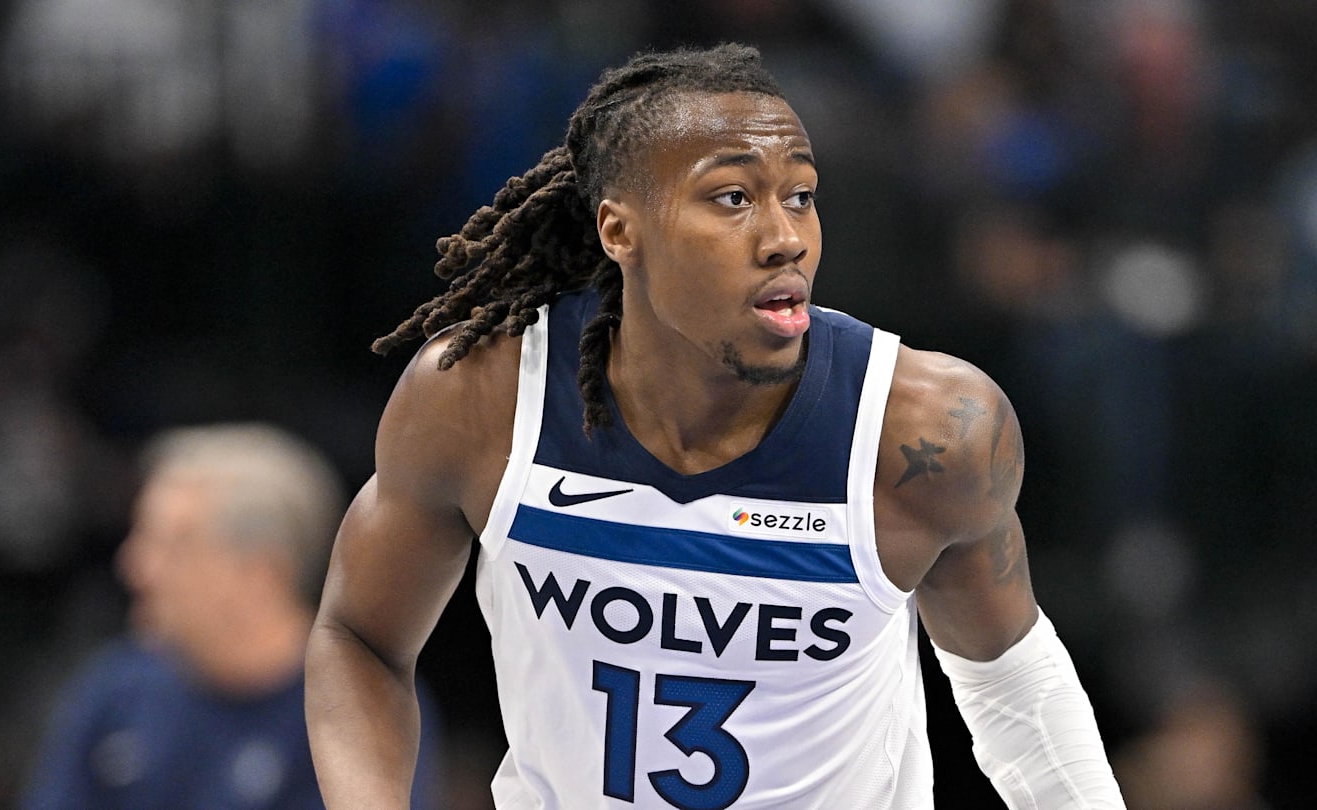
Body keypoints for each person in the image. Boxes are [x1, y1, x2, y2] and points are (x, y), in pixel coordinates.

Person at [306, 43, 1124, 808]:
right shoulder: (482, 396)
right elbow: (359, 638)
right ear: (618, 228)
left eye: (800, 196)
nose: (784, 239)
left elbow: (1012, 683)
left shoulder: (926, 429)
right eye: (733, 198)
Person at [22, 423, 441, 809]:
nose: (134, 567)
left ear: (261, 573)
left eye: (171, 546)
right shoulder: (115, 693)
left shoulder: (361, 699)